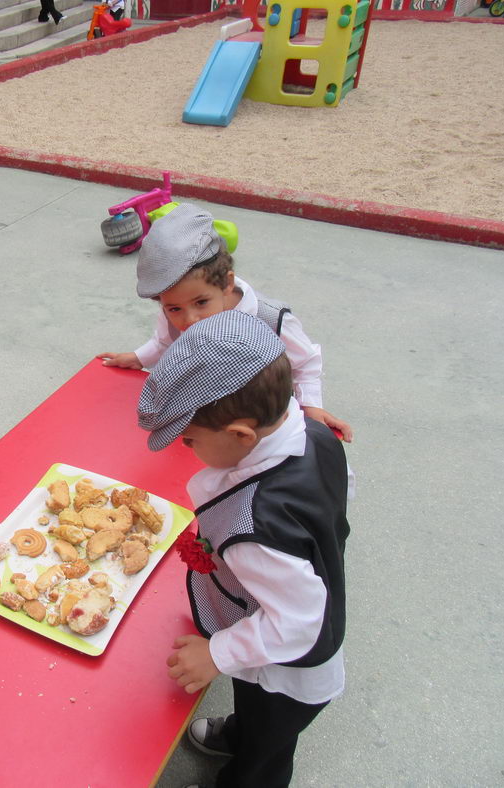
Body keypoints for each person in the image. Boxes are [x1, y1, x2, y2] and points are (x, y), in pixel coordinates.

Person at [136, 310, 350, 788]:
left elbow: (297, 624)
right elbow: (341, 493)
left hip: (290, 670)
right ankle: (240, 731)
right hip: (278, 627)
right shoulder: (312, 433)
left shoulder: (259, 531)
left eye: (189, 439)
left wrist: (219, 652)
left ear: (240, 435)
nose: (187, 448)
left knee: (267, 751)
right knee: (254, 711)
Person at [99, 203, 353, 442]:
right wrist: (139, 358)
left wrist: (311, 406)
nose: (189, 319)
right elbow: (165, 342)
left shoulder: (271, 319)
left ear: (227, 283)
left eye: (201, 302)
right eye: (174, 308)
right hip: (206, 420)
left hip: (258, 423)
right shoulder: (172, 312)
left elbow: (305, 362)